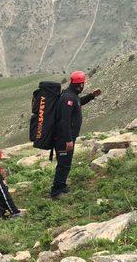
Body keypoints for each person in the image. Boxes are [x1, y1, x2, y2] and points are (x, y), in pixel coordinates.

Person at [51, 71, 102, 199]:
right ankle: (56, 192)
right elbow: (65, 120)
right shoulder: (68, 97)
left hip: (66, 137)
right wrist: (68, 140)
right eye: (83, 83)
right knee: (63, 164)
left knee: (66, 163)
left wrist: (91, 96)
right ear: (80, 85)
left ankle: (62, 186)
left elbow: (78, 101)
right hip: (63, 138)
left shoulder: (72, 95)